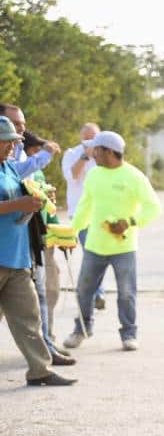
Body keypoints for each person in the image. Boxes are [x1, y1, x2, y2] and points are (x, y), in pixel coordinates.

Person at [64, 131, 162, 352]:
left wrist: (129, 222)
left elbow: (154, 207)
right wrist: (71, 233)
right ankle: (81, 329)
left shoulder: (134, 177)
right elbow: (85, 207)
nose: (92, 154)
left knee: (127, 293)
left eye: (95, 150)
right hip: (94, 245)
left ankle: (129, 334)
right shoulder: (94, 175)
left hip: (124, 247)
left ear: (108, 151)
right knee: (83, 290)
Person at [0, 116, 75, 387]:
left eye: (14, 142)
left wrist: (41, 198)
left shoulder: (10, 168)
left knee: (30, 317)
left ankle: (39, 370)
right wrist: (19, 203)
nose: (12, 147)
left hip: (17, 257)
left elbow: (28, 193)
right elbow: (14, 203)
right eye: (7, 142)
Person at [22, 130, 74, 366]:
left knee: (47, 293)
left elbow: (47, 205)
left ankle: (46, 346)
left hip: (42, 239)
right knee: (33, 298)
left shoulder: (35, 170)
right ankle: (44, 350)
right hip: (23, 244)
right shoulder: (16, 166)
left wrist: (58, 234)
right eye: (36, 151)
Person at [62, 122, 104, 311]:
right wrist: (84, 156)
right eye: (87, 137)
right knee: (91, 254)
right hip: (81, 214)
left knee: (100, 254)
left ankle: (96, 292)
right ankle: (96, 294)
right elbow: (73, 175)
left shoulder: (105, 155)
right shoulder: (72, 154)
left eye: (94, 137)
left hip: (101, 213)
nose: (90, 141)